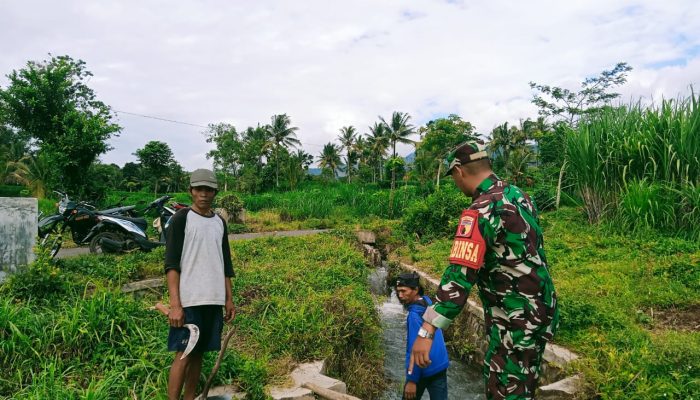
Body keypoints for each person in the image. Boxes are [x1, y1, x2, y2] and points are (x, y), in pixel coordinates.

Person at [409, 141, 559, 400]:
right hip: (540, 311)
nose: (456, 184)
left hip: (514, 319)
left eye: (453, 178)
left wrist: (426, 330)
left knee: (504, 390)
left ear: (459, 171)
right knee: (523, 386)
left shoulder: (480, 210)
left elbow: (460, 274)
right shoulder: (519, 195)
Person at [164, 168, 236, 400]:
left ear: (215, 192)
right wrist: (175, 305)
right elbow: (172, 265)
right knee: (183, 354)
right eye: (199, 189)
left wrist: (228, 299)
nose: (203, 194)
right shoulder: (181, 219)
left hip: (213, 300)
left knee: (198, 355)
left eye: (208, 190)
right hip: (190, 300)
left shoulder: (219, 223)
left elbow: (225, 264)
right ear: (191, 191)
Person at [396, 272, 449, 400]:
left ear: (415, 290)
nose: (400, 295)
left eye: (404, 291)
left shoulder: (414, 316)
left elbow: (413, 349)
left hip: (422, 370)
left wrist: (412, 380)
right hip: (441, 366)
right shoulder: (428, 302)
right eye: (398, 291)